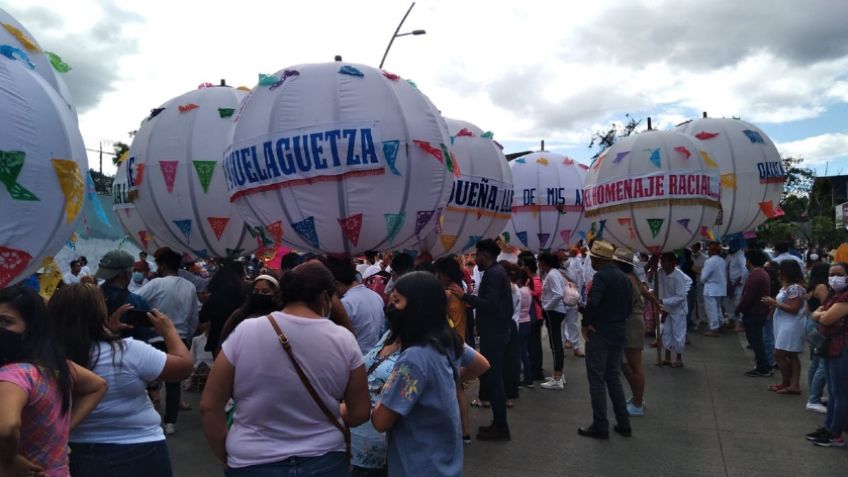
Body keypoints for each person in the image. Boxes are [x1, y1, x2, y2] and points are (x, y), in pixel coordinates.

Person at [200, 262, 370, 476]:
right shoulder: (344, 340)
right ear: (325, 298)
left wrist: (227, 455)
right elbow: (360, 413)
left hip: (252, 460)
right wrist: (336, 409)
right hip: (324, 459)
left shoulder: (246, 331)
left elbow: (209, 405)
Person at [48, 284, 193, 477]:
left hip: (74, 450)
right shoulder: (128, 352)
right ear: (100, 314)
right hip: (140, 450)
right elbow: (183, 367)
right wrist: (169, 331)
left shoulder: (46, 360)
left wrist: (108, 332)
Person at [0, 285, 107, 477]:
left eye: (6, 322)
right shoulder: (56, 366)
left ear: (31, 328)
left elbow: (7, 429)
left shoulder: (12, 375)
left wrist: (7, 462)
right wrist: (61, 433)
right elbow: (97, 385)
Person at [371, 272, 465, 476]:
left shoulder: (414, 359)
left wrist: (383, 389)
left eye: (397, 300)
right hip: (444, 463)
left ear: (418, 307)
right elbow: (478, 365)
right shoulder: (446, 340)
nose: (390, 306)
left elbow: (381, 421)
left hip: (416, 466)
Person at [448, 239, 514, 441]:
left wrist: (465, 296)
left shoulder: (494, 274)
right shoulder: (496, 272)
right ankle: (497, 423)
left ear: (485, 255)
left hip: (494, 334)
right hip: (496, 331)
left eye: (477, 255)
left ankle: (501, 426)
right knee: (493, 378)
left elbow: (490, 305)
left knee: (493, 378)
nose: (475, 259)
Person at [137, 247, 200, 435]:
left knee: (150, 380)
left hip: (156, 338)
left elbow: (137, 300)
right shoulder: (189, 286)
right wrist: (188, 338)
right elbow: (194, 316)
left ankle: (149, 416)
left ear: (162, 266)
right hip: (180, 339)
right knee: (174, 383)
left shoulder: (155, 284)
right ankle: (170, 422)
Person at [578, 240, 632, 439]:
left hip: (601, 331)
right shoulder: (624, 278)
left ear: (597, 260)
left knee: (597, 379)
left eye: (592, 258)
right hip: (618, 331)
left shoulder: (601, 277)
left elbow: (593, 303)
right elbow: (628, 307)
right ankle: (624, 423)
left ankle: (600, 425)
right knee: (613, 377)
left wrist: (586, 323)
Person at [806, 262, 848, 447]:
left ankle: (835, 433)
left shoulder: (845, 298)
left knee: (839, 393)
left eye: (839, 274)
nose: (834, 278)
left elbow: (827, 317)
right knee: (832, 391)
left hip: (842, 349)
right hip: (830, 348)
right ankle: (829, 427)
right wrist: (819, 315)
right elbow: (817, 313)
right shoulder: (835, 295)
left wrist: (819, 315)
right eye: (832, 274)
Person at [761, 260, 806, 395]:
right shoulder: (786, 287)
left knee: (779, 353)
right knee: (790, 354)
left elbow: (793, 308)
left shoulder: (795, 288)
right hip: (783, 323)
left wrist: (774, 302)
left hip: (792, 324)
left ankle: (790, 382)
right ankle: (790, 383)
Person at [324, 256, 386, 354]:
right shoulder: (376, 296)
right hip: (373, 356)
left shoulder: (344, 304)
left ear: (336, 284)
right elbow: (382, 329)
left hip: (355, 359)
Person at [613, 248, 648, 417]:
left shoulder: (625, 280)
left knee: (634, 366)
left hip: (631, 322)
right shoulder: (632, 277)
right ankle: (636, 397)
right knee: (626, 364)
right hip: (633, 321)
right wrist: (657, 304)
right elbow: (646, 293)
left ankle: (638, 403)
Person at [736, 250, 775, 377]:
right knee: (757, 341)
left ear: (749, 261)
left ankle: (763, 367)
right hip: (759, 312)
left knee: (756, 341)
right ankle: (764, 365)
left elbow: (748, 297)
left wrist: (738, 309)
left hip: (754, 313)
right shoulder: (762, 274)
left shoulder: (755, 275)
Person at [199, 261, 247, 355]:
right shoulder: (243, 296)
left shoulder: (215, 297)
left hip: (217, 340)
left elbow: (203, 317)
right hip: (239, 339)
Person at [654, 253, 692, 367]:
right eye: (661, 260)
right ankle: (667, 358)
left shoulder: (678, 276)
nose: (662, 263)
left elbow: (681, 296)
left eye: (664, 260)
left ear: (672, 262)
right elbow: (654, 283)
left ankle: (679, 359)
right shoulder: (660, 272)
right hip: (666, 307)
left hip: (677, 309)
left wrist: (663, 301)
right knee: (666, 332)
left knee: (678, 333)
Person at [219, 275, 280, 345]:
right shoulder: (239, 315)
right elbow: (225, 341)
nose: (260, 294)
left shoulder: (280, 317)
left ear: (275, 294)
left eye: (265, 292)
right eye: (256, 291)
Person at [538, 252, 568, 390]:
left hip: (554, 312)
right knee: (556, 342)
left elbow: (558, 294)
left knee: (555, 344)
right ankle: (559, 374)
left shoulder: (552, 275)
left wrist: (546, 307)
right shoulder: (555, 273)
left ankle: (557, 377)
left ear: (544, 263)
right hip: (557, 311)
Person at [805, 262, 831, 414]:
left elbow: (808, 309)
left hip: (811, 324)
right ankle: (814, 399)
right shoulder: (822, 287)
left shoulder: (813, 286)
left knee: (816, 362)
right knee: (821, 363)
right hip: (818, 325)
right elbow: (827, 306)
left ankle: (814, 396)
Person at [518, 255, 545, 382]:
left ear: (527, 267)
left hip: (536, 315)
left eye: (522, 265)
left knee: (534, 345)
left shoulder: (535, 280)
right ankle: (534, 368)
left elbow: (537, 293)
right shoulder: (532, 280)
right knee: (531, 344)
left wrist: (525, 289)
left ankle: (536, 370)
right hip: (533, 315)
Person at [434, 256, 469, 343]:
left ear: (446, 275)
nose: (437, 277)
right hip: (460, 339)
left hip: (451, 342)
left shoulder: (448, 294)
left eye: (439, 274)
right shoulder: (459, 290)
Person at [701, 240, 728, 337]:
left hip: (711, 288)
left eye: (709, 248)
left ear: (712, 250)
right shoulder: (722, 261)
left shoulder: (709, 261)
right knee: (718, 308)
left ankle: (714, 329)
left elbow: (703, 277)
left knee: (711, 309)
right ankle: (721, 324)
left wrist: (702, 279)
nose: (708, 250)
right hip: (720, 288)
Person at [726, 240, 749, 332]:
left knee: (739, 302)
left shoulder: (741, 256)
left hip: (738, 284)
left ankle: (742, 323)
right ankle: (731, 320)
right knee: (730, 302)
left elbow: (744, 271)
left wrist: (737, 283)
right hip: (731, 283)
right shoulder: (733, 255)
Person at [690, 243, 708, 330]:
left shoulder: (704, 258)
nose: (693, 249)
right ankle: (693, 319)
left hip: (700, 281)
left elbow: (704, 270)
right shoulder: (689, 256)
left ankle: (703, 319)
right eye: (692, 247)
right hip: (691, 281)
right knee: (692, 301)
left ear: (698, 248)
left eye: (695, 247)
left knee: (701, 301)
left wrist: (695, 269)